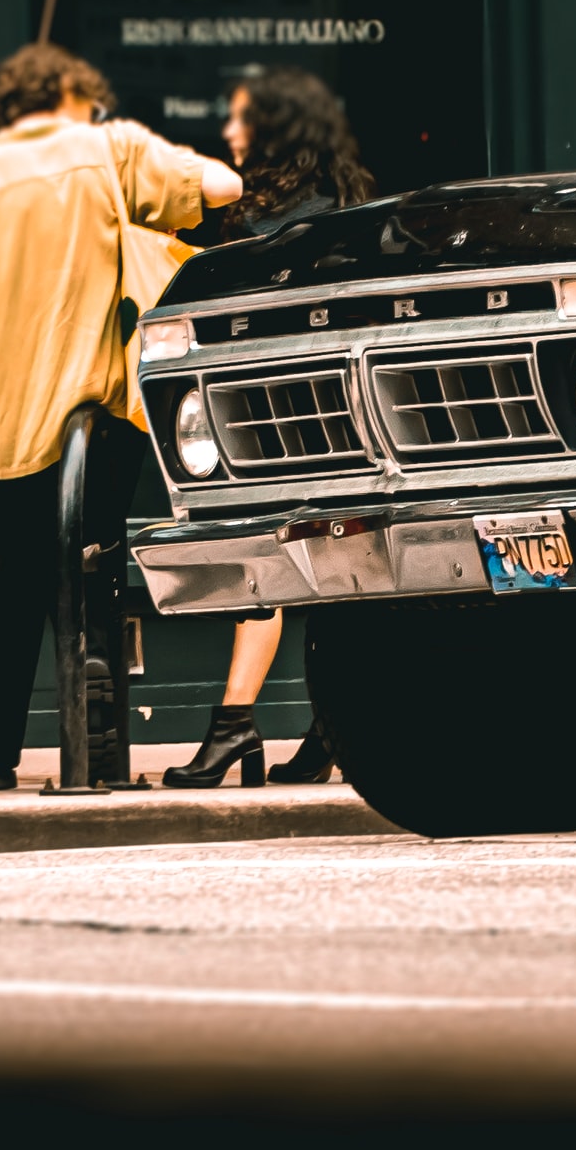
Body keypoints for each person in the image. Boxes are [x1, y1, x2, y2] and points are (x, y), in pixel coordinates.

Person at [0, 43, 240, 790]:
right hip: (71, 426)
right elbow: (222, 187)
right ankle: (95, 756)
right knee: (84, 586)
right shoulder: (108, 150)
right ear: (76, 92)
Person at [163, 69, 375, 791]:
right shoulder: (349, 206)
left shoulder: (268, 222)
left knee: (266, 568)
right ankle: (325, 728)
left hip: (274, 416)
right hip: (339, 411)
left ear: (276, 129)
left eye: (242, 120)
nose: (228, 132)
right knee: (335, 565)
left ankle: (235, 728)